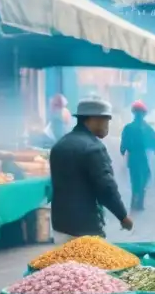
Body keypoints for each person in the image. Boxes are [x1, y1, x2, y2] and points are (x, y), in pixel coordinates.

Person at [49, 96, 133, 244]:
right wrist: (123, 216)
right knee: (88, 267)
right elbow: (106, 188)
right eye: (106, 120)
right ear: (93, 119)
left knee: (65, 266)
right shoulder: (93, 148)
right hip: (85, 228)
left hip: (59, 225)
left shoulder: (60, 145)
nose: (107, 125)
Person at [120, 100, 155, 212]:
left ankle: (135, 201)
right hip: (144, 157)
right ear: (144, 113)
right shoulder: (148, 128)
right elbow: (154, 144)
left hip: (133, 157)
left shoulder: (128, 127)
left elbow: (124, 143)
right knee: (144, 178)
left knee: (135, 179)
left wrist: (123, 151)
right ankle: (139, 202)